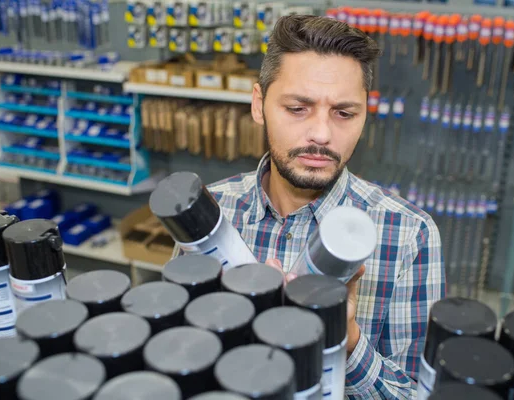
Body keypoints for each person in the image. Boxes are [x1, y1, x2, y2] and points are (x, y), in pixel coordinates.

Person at [183, 15, 445, 399]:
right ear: (259, 105)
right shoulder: (209, 216)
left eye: (344, 113)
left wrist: (347, 338)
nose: (322, 134)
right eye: (297, 108)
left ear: (364, 115)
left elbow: (418, 396)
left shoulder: (409, 235)